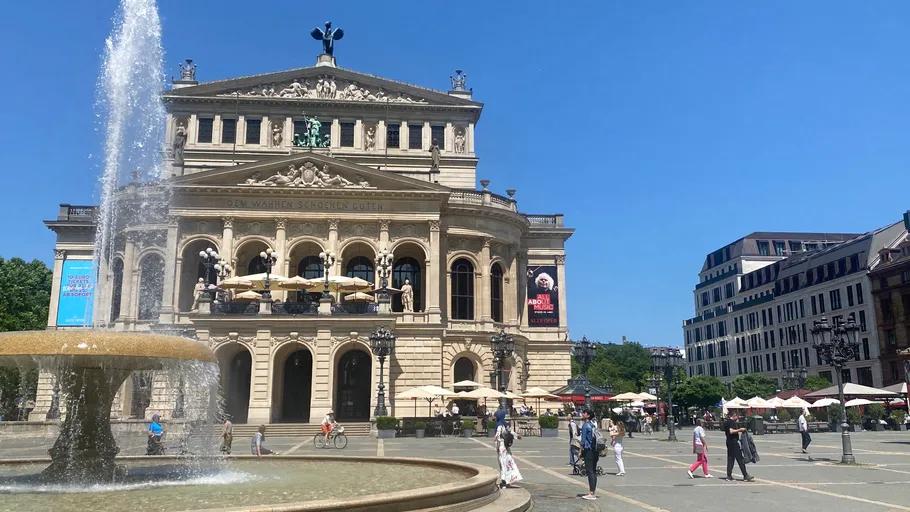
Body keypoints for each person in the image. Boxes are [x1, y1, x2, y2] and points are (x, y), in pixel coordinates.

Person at [493, 408, 523, 488]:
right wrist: (517, 436)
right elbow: (511, 432)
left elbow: (498, 434)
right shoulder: (505, 424)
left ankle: (503, 482)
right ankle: (508, 480)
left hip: (501, 446)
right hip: (506, 446)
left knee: (502, 463)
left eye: (495, 416)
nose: (495, 418)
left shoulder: (499, 424)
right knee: (509, 462)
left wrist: (496, 438)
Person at [724, 413, 753, 481]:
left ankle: (729, 476)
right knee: (740, 459)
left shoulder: (727, 422)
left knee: (730, 459)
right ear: (734, 416)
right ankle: (745, 475)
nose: (738, 419)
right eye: (737, 417)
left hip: (729, 442)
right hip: (734, 442)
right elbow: (731, 431)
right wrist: (740, 430)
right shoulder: (731, 422)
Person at [580, 409, 599, 500]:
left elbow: (583, 441)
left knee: (589, 471)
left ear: (588, 415)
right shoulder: (593, 425)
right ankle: (593, 491)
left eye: (584, 413)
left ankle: (591, 493)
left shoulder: (585, 425)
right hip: (595, 450)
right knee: (593, 470)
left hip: (589, 450)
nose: (582, 414)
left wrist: (580, 451)